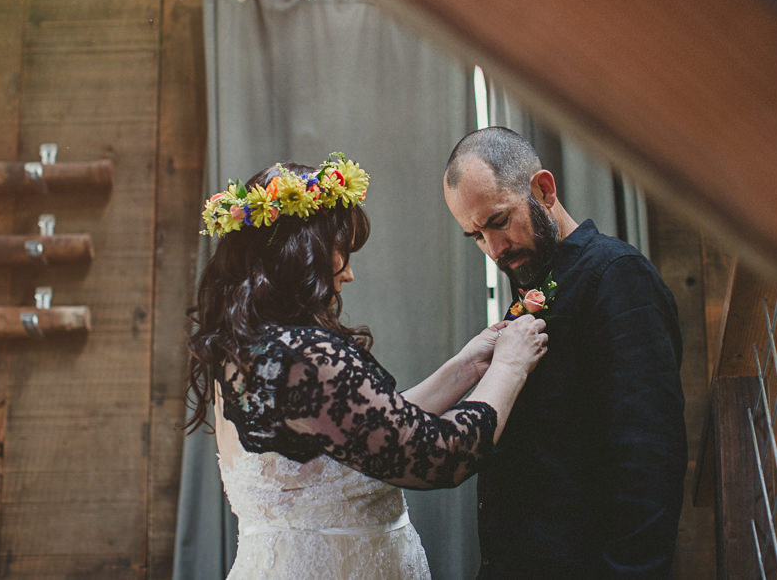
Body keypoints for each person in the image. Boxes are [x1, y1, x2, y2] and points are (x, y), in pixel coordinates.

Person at [184, 153, 548, 580]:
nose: (349, 273)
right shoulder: (304, 357)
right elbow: (439, 456)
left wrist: (469, 365)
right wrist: (511, 366)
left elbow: (372, 427)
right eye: (340, 252)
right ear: (302, 254)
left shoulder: (249, 350)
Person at [443, 127, 687, 578]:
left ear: (544, 189)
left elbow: (648, 461)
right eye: (476, 236)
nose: (493, 249)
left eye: (498, 221)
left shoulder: (617, 277)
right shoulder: (531, 281)